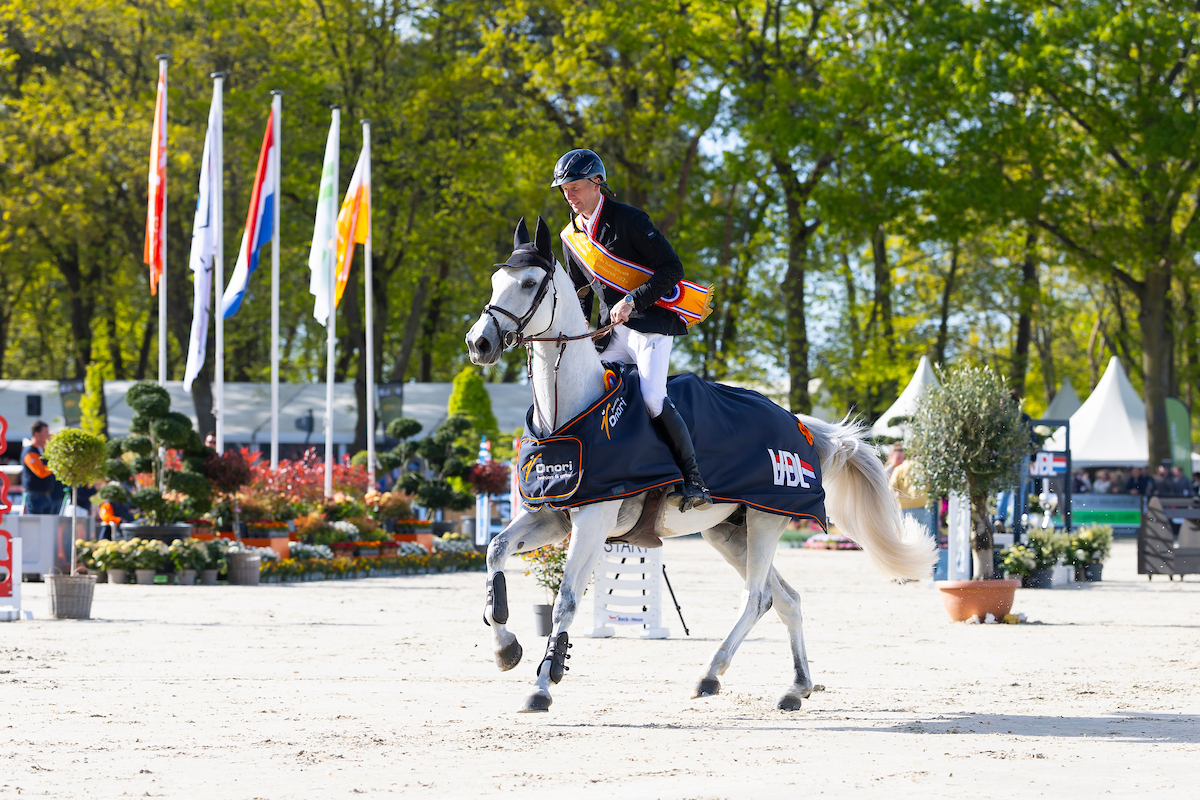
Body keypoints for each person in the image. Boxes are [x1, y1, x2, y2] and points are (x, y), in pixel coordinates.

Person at [553, 148, 711, 511]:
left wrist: (632, 301)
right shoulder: (570, 236)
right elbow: (581, 296)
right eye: (564, 190)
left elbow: (671, 269)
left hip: (650, 325)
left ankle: (694, 480)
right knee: (589, 390)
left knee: (653, 397)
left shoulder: (630, 219)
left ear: (597, 183)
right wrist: (581, 338)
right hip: (611, 332)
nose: (569, 196)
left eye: (575, 187)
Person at [21, 421, 58, 514]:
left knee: (46, 525)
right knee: (35, 525)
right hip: (35, 496)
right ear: (37, 434)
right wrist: (57, 463)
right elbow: (40, 472)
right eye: (45, 432)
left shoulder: (42, 450)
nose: (48, 435)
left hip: (46, 495)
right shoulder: (30, 451)